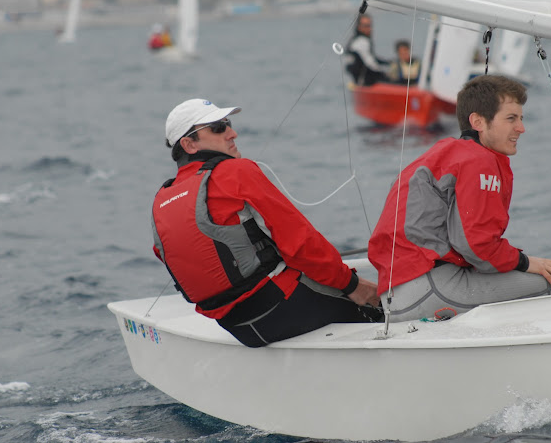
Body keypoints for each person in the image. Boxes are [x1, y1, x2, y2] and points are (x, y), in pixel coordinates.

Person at [152, 98, 383, 347]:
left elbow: (171, 255)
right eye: (218, 128)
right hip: (282, 307)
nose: (232, 133)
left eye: (228, 124)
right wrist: (353, 285)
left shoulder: (161, 200)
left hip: (238, 327)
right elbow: (301, 244)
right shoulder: (236, 172)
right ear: (189, 144)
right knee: (383, 309)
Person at [367, 75, 551, 322]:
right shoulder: (478, 160)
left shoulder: (441, 156)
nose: (521, 128)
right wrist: (525, 262)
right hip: (430, 289)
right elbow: (476, 244)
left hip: (398, 295)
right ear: (478, 122)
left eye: (521, 118)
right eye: (511, 118)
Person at [345, 13, 391, 86]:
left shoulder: (354, 41)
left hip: (358, 78)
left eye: (370, 25)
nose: (369, 29)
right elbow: (371, 64)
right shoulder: (362, 42)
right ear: (359, 27)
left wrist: (388, 63)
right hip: (366, 81)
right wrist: (386, 72)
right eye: (366, 26)